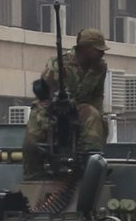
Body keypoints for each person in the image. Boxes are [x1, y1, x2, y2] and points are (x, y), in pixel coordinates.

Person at [22, 27, 109, 179]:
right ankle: (33, 175)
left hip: (81, 107)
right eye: (97, 49)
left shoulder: (100, 67)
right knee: (32, 139)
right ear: (85, 48)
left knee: (94, 119)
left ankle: (90, 167)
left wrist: (99, 116)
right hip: (52, 105)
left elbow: (97, 95)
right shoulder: (58, 64)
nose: (102, 53)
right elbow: (45, 91)